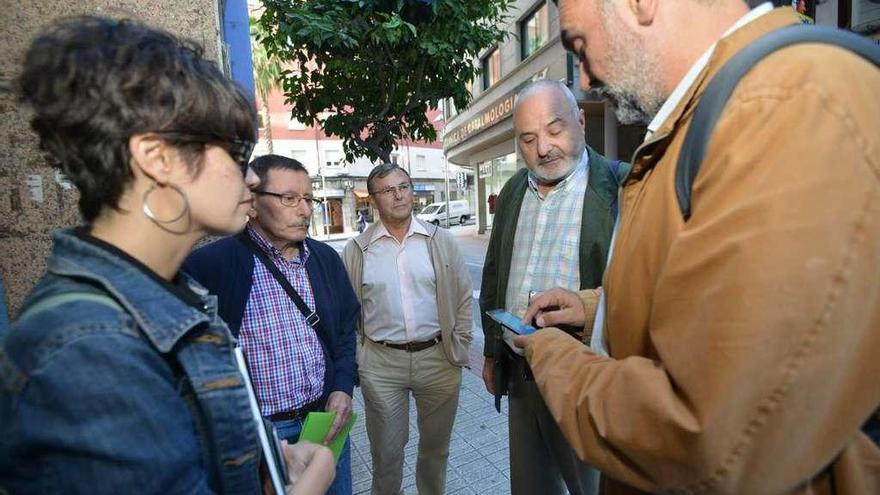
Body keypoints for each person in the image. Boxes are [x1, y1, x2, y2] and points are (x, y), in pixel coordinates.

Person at [516, 1, 880, 494]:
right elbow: (705, 295)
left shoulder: (783, 107)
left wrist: (553, 357)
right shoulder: (715, 115)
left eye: (580, 45)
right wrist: (592, 309)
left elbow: (711, 435)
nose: (584, 79)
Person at [0, 16, 334, 494]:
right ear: (156, 158)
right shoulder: (89, 349)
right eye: (236, 153)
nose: (254, 179)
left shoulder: (173, 295)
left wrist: (261, 462)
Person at [478, 79, 627, 495]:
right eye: (528, 138)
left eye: (554, 129)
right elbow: (493, 276)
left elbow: (648, 296)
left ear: (580, 121)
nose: (543, 148)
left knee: (594, 486)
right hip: (523, 378)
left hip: (587, 380)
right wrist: (493, 354)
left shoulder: (621, 189)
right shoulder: (511, 192)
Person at [183, 154, 360, 495]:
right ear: (252, 203)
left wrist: (342, 387)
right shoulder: (210, 266)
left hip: (324, 421)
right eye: (289, 198)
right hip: (262, 437)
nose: (305, 210)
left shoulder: (325, 259)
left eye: (308, 199)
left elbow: (344, 333)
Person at [341, 163, 472, 495]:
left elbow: (462, 297)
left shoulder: (440, 240)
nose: (398, 195)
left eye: (403, 186)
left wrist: (461, 342)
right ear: (372, 200)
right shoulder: (357, 251)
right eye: (387, 190)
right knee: (386, 455)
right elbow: (347, 312)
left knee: (435, 452)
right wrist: (361, 357)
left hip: (438, 359)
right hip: (382, 365)